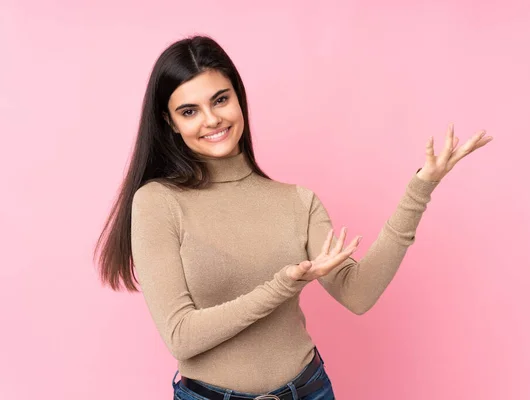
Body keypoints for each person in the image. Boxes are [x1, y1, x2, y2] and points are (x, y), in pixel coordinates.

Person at [94, 35, 493, 400]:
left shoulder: (297, 202)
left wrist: (420, 188)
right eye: (189, 110)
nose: (212, 120)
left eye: (220, 100)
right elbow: (181, 336)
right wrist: (283, 284)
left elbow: (358, 294)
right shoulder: (158, 202)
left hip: (309, 391)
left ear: (238, 99)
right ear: (171, 123)